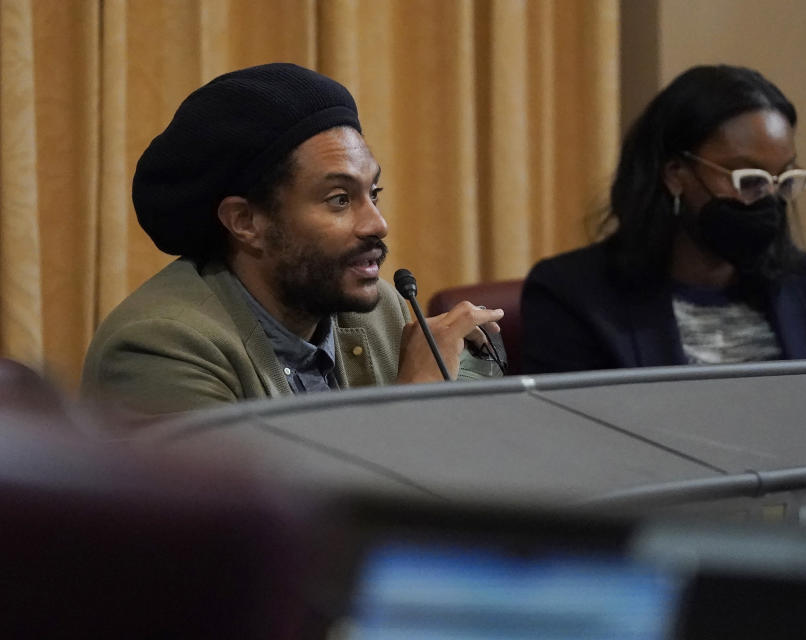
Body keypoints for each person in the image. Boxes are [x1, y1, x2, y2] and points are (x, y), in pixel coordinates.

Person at [82, 63, 503, 416]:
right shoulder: (162, 348)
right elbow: (253, 514)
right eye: (339, 199)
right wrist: (414, 398)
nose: (377, 224)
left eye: (372, 194)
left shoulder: (376, 311)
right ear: (246, 221)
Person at [521, 64, 806, 374]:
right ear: (676, 173)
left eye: (782, 180)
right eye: (748, 180)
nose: (767, 199)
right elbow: (573, 444)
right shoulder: (571, 296)